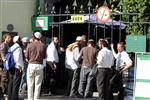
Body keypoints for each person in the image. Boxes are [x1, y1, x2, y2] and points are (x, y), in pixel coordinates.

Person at [26, 32, 46, 100]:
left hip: (31, 65)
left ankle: (30, 98)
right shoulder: (43, 45)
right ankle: (36, 98)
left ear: (34, 37)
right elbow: (44, 57)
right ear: (40, 37)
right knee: (38, 84)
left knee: (30, 83)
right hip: (39, 65)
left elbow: (27, 57)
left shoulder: (29, 45)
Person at [7, 36, 24, 100]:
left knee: (11, 83)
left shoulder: (12, 47)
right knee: (16, 84)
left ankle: (10, 97)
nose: (21, 41)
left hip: (11, 67)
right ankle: (14, 98)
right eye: (20, 40)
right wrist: (20, 67)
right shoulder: (18, 48)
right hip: (17, 68)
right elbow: (17, 59)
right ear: (18, 40)